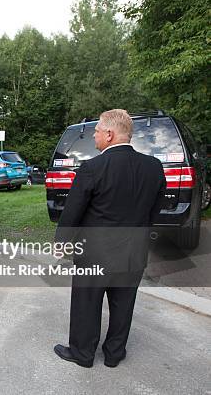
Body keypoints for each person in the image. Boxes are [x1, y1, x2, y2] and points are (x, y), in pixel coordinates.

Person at [53, 109, 166, 368]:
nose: (94, 135)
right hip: (133, 253)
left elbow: (72, 211)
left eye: (96, 131)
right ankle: (114, 354)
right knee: (123, 304)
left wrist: (62, 242)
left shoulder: (93, 167)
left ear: (109, 134)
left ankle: (82, 353)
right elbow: (156, 206)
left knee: (86, 303)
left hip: (95, 253)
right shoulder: (153, 167)